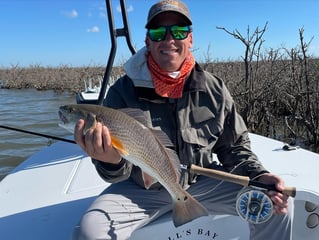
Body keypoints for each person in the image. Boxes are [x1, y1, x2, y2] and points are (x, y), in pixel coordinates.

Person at [73, 0, 293, 239]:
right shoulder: (121, 92)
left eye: (178, 31)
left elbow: (235, 148)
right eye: (158, 32)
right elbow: (117, 173)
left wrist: (259, 176)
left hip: (206, 181)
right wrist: (109, 161)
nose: (169, 40)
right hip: (141, 190)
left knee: (273, 206)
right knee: (90, 231)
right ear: (147, 41)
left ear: (190, 39)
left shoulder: (214, 89)